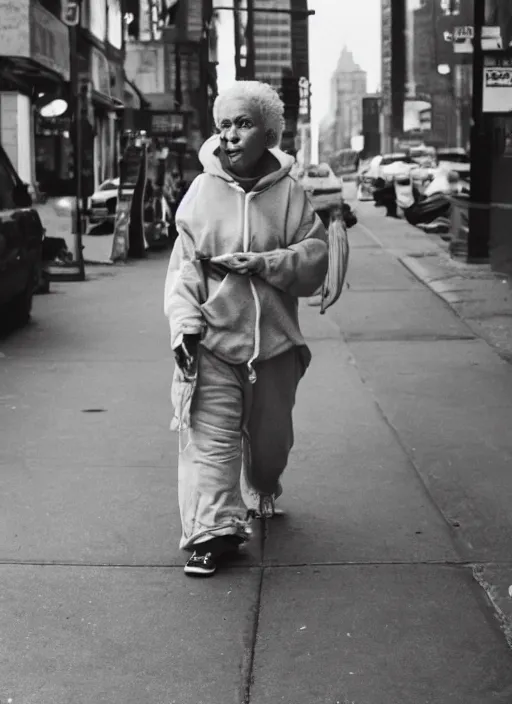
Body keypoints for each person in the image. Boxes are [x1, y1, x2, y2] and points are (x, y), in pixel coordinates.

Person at [164, 80, 329, 577]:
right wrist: (185, 327)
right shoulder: (201, 190)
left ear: (269, 131)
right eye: (224, 126)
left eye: (243, 124)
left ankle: (263, 485)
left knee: (271, 446)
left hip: (275, 346)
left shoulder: (290, 195)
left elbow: (314, 259)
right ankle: (213, 534)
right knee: (211, 443)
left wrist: (265, 264)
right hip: (214, 340)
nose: (231, 136)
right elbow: (184, 268)